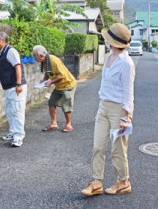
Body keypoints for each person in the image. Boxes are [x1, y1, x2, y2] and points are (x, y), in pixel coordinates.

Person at [81, 23, 135, 196]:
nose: (106, 41)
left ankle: (123, 181)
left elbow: (128, 93)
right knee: (98, 146)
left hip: (119, 109)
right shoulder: (109, 56)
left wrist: (125, 118)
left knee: (118, 149)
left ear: (114, 42)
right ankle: (96, 182)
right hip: (103, 105)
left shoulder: (126, 63)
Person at [0, 32, 27, 147]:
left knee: (17, 111)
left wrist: (18, 84)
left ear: (3, 40)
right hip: (7, 87)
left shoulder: (11, 51)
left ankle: (19, 136)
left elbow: (17, 66)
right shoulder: (0, 54)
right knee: (10, 111)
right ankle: (13, 132)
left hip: (15, 87)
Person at [32, 45, 77, 132]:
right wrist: (44, 80)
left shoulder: (54, 60)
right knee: (51, 102)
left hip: (68, 84)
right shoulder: (45, 61)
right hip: (59, 85)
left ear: (41, 55)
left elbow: (62, 75)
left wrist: (51, 82)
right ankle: (54, 123)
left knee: (66, 105)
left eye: (34, 55)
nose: (34, 57)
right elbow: (47, 72)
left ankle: (68, 124)